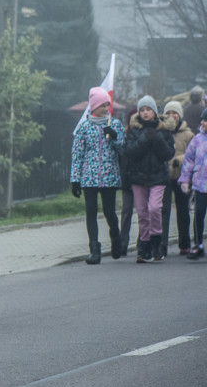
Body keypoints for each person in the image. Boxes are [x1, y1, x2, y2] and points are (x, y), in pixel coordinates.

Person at [69, 87, 125, 263]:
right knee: (91, 211)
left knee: (109, 212)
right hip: (89, 177)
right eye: (103, 105)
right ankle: (94, 250)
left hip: (109, 176)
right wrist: (75, 179)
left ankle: (116, 238)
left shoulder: (114, 124)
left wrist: (114, 138)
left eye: (108, 105)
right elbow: (77, 154)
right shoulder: (84, 127)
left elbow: (123, 149)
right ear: (94, 107)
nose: (106, 108)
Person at [122, 95, 175, 262]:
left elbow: (168, 154)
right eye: (142, 110)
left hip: (158, 178)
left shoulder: (163, 130)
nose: (145, 113)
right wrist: (145, 138)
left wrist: (156, 138)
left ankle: (156, 242)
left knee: (154, 209)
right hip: (138, 178)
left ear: (154, 112)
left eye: (148, 110)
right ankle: (144, 246)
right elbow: (129, 152)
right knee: (143, 213)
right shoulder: (133, 130)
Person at [160, 100, 195, 256]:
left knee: (182, 211)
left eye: (174, 113)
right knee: (163, 210)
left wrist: (179, 160)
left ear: (180, 115)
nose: (171, 116)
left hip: (182, 177)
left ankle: (185, 243)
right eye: (168, 113)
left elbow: (192, 155)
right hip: (163, 176)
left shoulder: (188, 134)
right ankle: (161, 243)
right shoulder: (160, 132)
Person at [179, 109, 207, 259]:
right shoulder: (197, 140)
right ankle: (198, 245)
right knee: (199, 213)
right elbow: (189, 161)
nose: (202, 122)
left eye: (205, 120)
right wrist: (185, 180)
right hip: (200, 185)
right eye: (202, 119)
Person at [117, 103, 138, 256]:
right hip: (127, 179)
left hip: (141, 179)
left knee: (143, 212)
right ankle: (123, 242)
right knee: (126, 211)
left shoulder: (144, 136)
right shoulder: (123, 136)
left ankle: (142, 241)